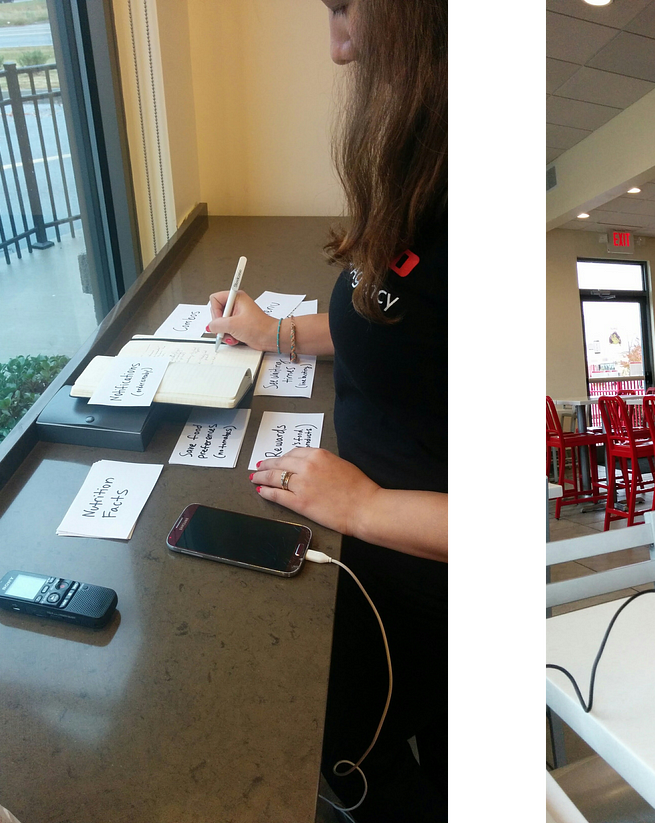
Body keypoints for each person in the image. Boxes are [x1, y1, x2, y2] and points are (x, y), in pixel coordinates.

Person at [207, 1, 450, 820]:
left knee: (338, 752)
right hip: (370, 536)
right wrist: (274, 331)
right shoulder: (423, 169)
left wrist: (363, 504)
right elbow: (385, 318)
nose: (339, 49)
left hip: (419, 580)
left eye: (346, 9)